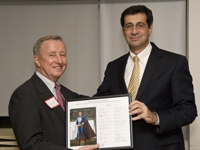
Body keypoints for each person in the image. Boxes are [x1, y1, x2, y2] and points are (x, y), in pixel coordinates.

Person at [94, 5, 197, 150]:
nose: (134, 31)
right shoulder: (113, 67)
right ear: (123, 32)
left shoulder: (174, 63)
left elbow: (188, 110)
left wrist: (155, 117)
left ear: (150, 28)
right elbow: (101, 103)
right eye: (129, 26)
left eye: (140, 25)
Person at [9, 35, 99, 150]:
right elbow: (31, 144)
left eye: (62, 54)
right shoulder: (24, 95)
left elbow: (97, 102)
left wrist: (125, 105)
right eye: (52, 55)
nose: (59, 61)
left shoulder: (67, 94)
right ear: (37, 60)